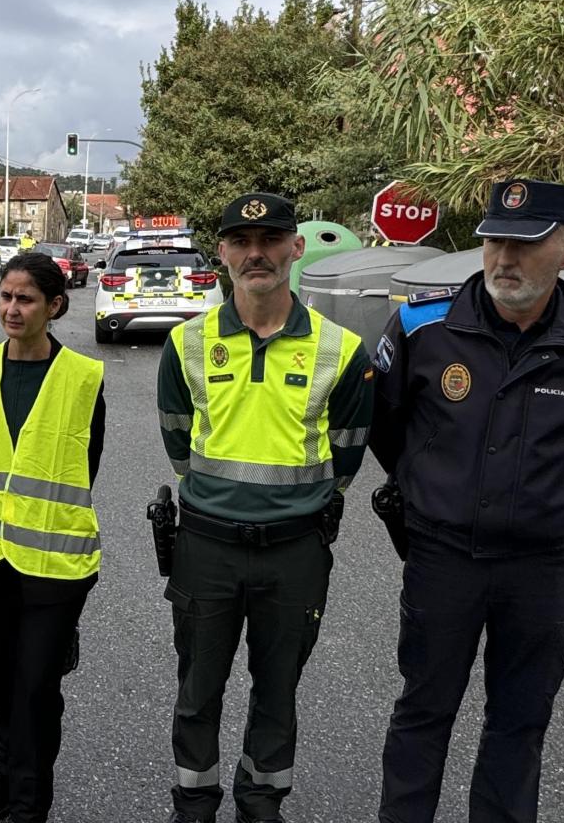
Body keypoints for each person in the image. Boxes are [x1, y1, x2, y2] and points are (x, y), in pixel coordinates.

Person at [371, 179, 564, 823]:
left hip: (543, 565)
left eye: (525, 244)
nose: (503, 259)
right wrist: (433, 489)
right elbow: (385, 424)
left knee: (520, 720)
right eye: (494, 241)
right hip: (443, 556)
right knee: (423, 710)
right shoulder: (422, 325)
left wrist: (548, 497)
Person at [156, 193, 373, 823]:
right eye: (241, 241)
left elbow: (348, 454)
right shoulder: (187, 344)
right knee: (198, 692)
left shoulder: (341, 350)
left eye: (272, 238)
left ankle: (260, 802)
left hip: (295, 551)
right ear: (221, 252)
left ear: (295, 247)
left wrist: (299, 505)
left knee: (278, 693)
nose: (257, 253)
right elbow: (178, 440)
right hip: (206, 547)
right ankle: (193, 804)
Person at [0, 252, 105, 823]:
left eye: (26, 299)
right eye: (6, 297)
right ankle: (9, 766)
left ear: (54, 306)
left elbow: (86, 466)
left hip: (55, 563)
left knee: (36, 685)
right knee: (1, 678)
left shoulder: (84, 378)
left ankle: (29, 799)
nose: (11, 308)